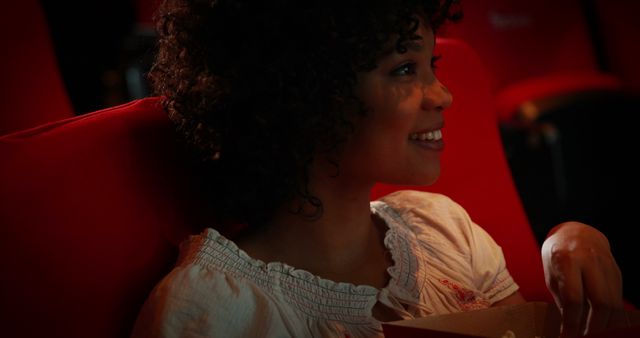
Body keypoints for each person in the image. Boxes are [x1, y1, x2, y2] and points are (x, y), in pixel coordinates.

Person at [132, 0, 623, 337]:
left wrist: (569, 238)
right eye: (405, 70)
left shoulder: (444, 229)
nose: (444, 95)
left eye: (432, 64)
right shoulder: (215, 310)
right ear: (306, 94)